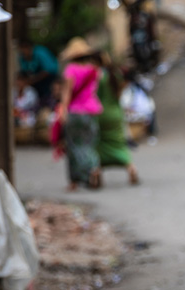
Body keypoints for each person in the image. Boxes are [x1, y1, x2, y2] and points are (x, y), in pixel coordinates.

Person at [57, 37, 103, 191]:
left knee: (74, 146)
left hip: (75, 112)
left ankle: (76, 180)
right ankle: (94, 167)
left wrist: (63, 110)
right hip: (92, 111)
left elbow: (67, 93)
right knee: (89, 144)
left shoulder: (71, 70)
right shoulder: (94, 70)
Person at [92, 52, 140, 185]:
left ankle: (97, 172)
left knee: (100, 144)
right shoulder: (116, 75)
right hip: (116, 113)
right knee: (119, 142)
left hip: (102, 114)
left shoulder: (98, 76)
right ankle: (131, 168)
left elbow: (94, 97)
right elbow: (119, 95)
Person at [18, 39, 59, 108]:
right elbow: (25, 71)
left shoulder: (40, 53)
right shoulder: (22, 57)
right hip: (36, 83)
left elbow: (49, 70)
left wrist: (33, 80)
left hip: (48, 81)